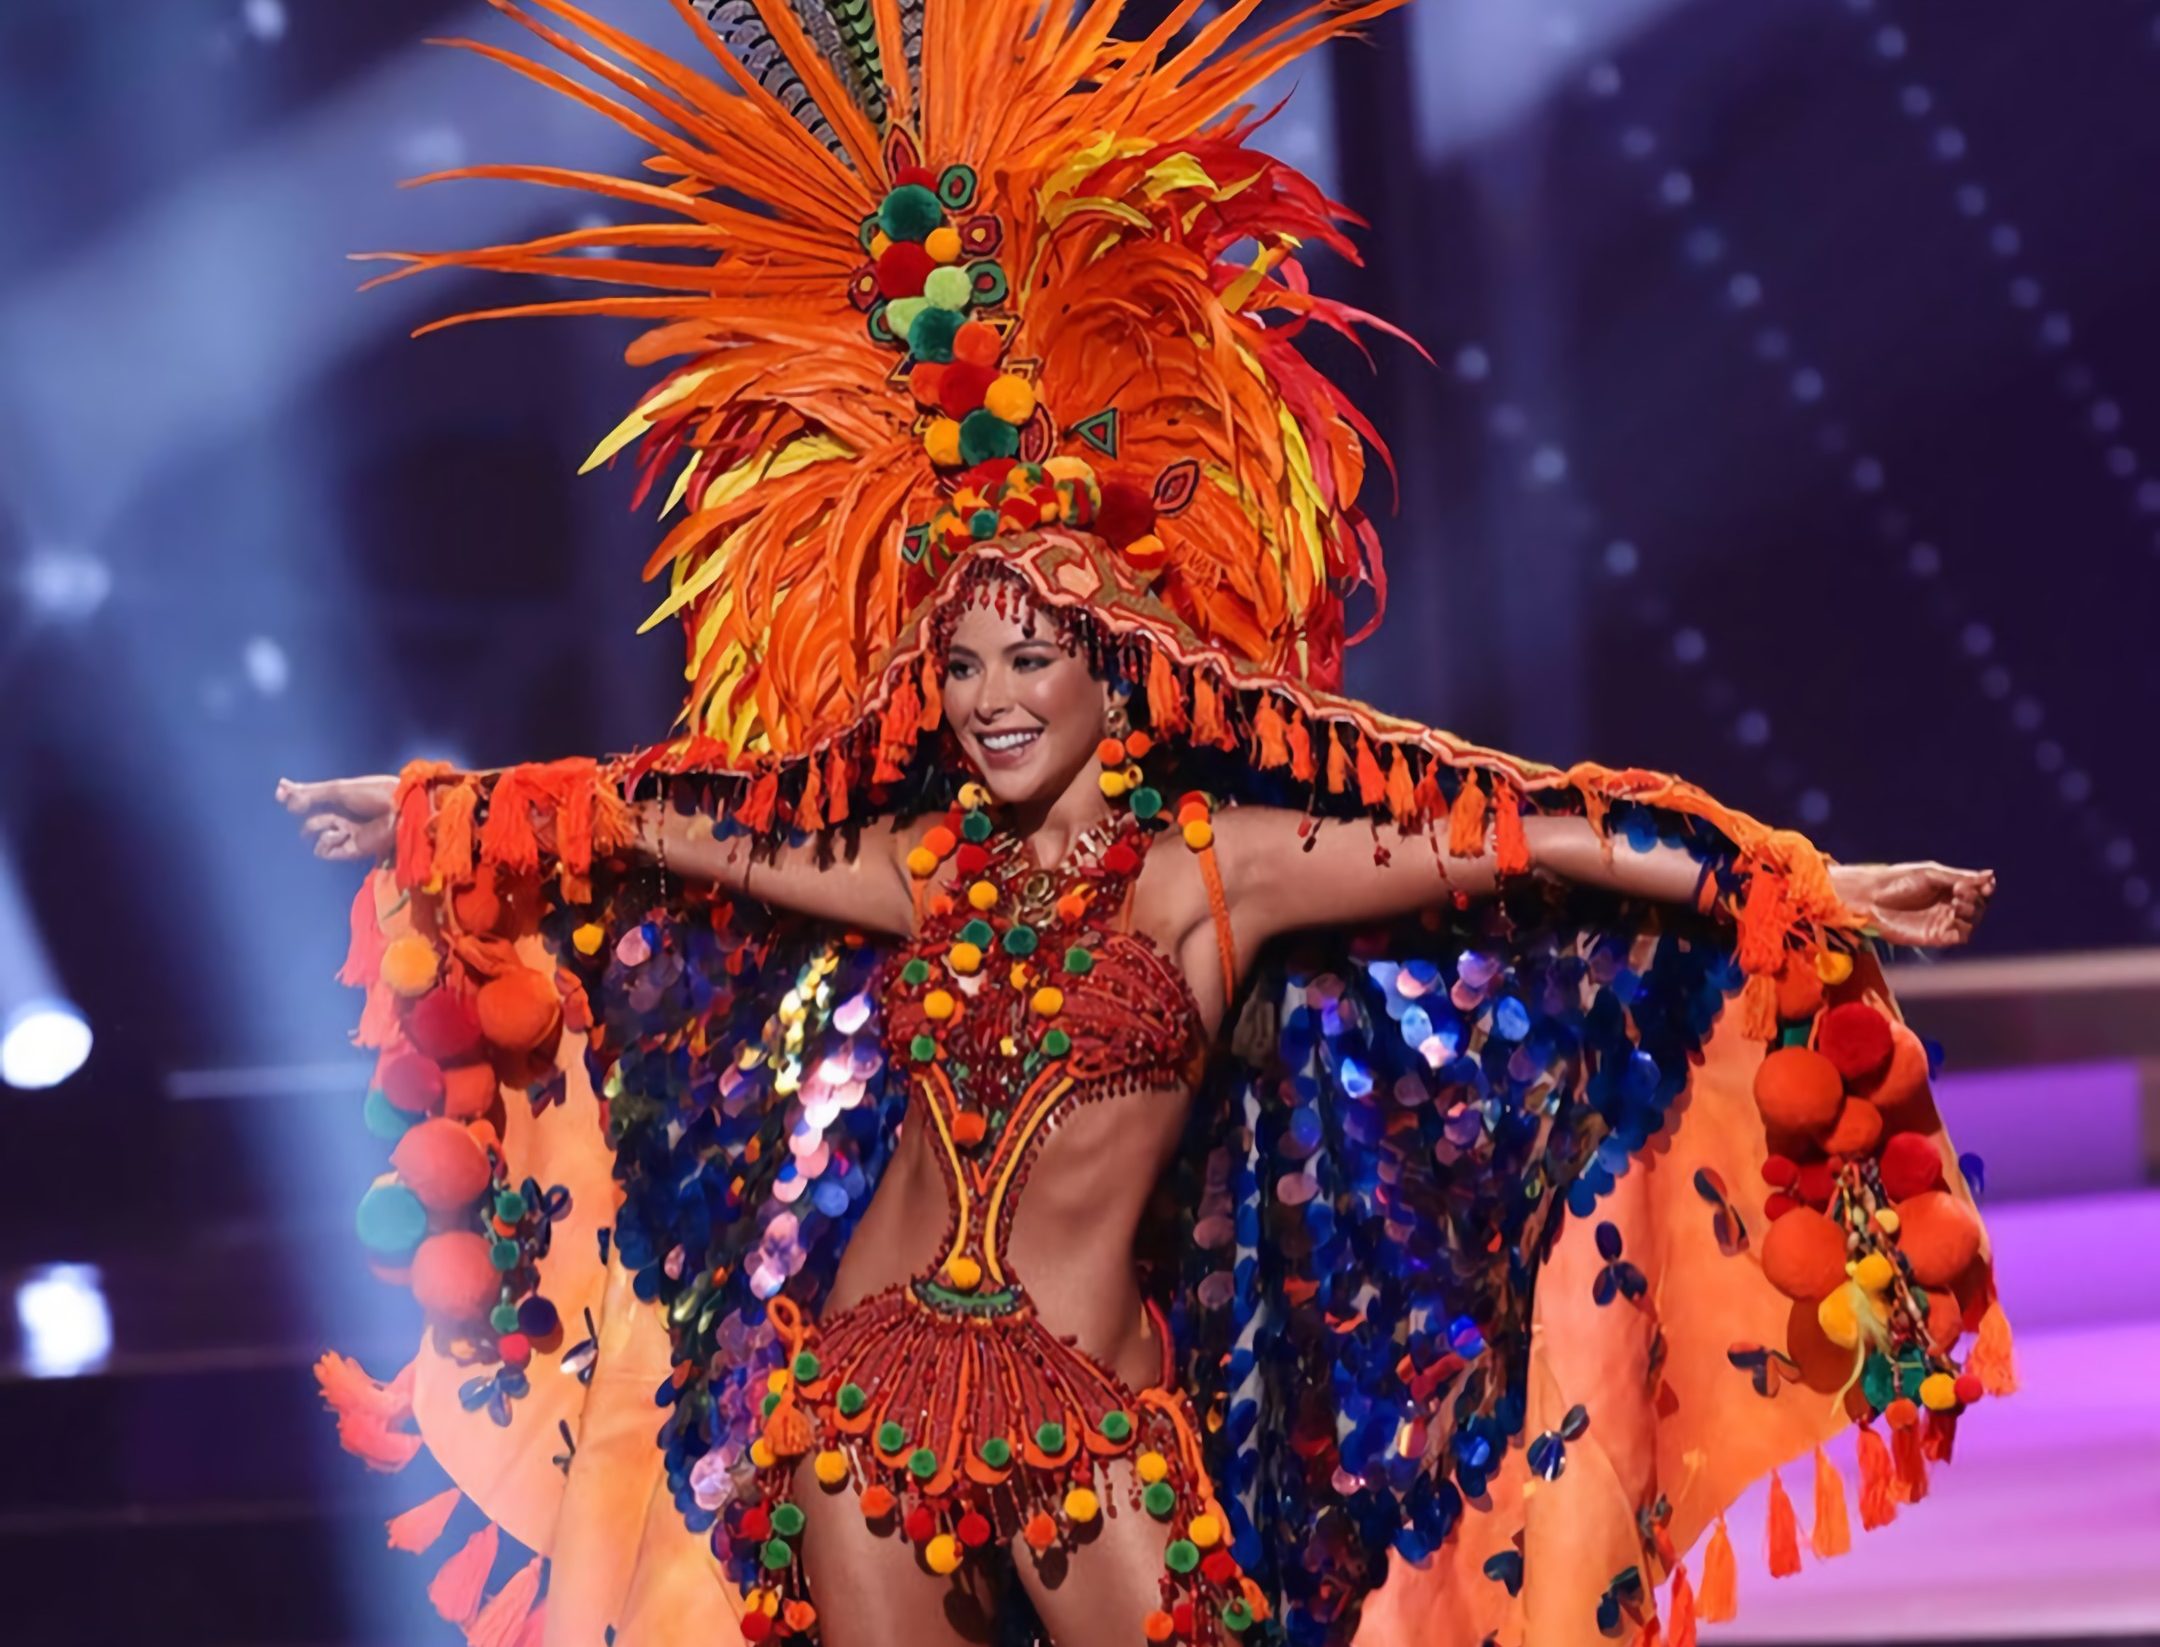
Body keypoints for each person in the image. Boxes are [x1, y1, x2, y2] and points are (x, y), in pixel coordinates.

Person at [281, 6, 2008, 1647]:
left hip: (1092, 1419)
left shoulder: (1214, 873)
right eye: (961, 666)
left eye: (1028, 659)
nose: (988, 698)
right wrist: (446, 815)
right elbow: (682, 826)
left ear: (1117, 671)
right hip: (858, 1405)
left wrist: (1791, 881)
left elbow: (1516, 832)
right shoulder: (920, 873)